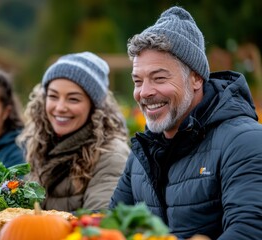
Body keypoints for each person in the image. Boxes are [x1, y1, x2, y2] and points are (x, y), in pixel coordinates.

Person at [109, 6, 262, 240]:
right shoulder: (142, 154)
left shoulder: (244, 141)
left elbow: (249, 231)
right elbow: (110, 228)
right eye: (138, 81)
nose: (144, 92)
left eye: (159, 78)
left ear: (196, 78)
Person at [18, 51, 130, 212]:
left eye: (73, 99)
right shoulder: (41, 144)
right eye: (53, 96)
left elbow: (100, 220)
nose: (60, 107)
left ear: (94, 107)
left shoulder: (110, 155)